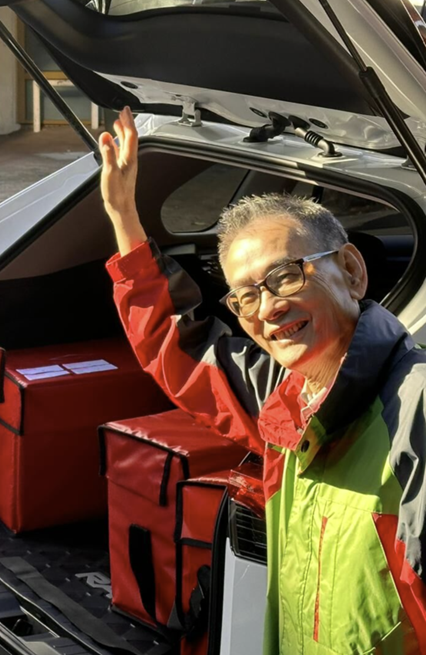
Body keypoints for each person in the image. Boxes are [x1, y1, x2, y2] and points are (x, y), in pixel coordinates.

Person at [99, 107, 426, 653]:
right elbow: (178, 350)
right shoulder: (286, 400)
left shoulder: (415, 408)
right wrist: (123, 217)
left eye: (285, 275)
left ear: (351, 270)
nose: (268, 307)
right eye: (246, 296)